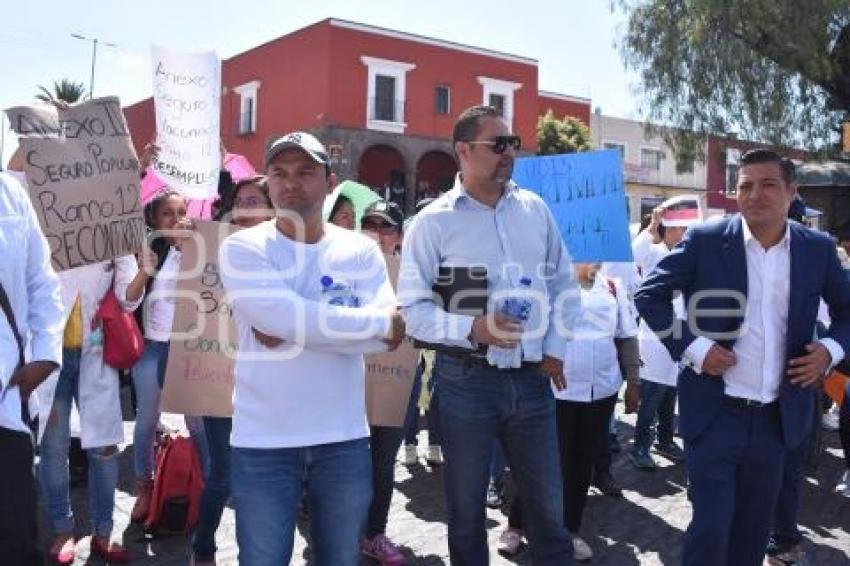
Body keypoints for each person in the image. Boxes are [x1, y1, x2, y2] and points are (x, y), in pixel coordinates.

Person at [635, 148, 850, 566]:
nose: (755, 194)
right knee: (711, 528)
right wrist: (695, 349)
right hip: (716, 413)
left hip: (777, 418)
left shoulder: (817, 249)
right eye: (745, 185)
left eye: (768, 184)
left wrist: (829, 350)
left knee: (752, 534)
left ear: (792, 192)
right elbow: (650, 296)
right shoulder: (709, 240)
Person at [399, 105, 580, 565]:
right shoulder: (432, 223)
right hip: (464, 382)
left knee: (548, 514)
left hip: (533, 381)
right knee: (465, 517)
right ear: (463, 150)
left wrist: (555, 350)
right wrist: (473, 329)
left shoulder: (535, 210)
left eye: (513, 143)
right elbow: (414, 313)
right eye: (497, 144)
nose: (509, 152)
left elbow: (563, 284)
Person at [218, 131, 405, 566]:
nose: (291, 182)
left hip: (343, 439)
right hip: (263, 441)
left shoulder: (361, 249)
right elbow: (380, 326)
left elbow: (383, 341)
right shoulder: (241, 247)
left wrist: (294, 323)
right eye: (280, 173)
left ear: (329, 180)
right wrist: (370, 323)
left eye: (305, 172)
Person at [498, 263, 639, 562]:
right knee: (542, 462)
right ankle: (517, 525)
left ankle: (570, 529)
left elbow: (627, 336)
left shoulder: (612, 287)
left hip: (600, 389)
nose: (595, 260)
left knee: (581, 462)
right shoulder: (550, 284)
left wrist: (633, 382)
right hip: (555, 389)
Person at [38, 248, 151, 564]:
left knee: (104, 448)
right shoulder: (41, 214)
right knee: (52, 447)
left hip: (98, 349)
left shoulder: (111, 226)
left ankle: (103, 532)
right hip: (49, 351)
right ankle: (63, 530)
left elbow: (127, 299)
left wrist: (144, 271)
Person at [191, 176, 274, 566]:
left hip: (272, 386)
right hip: (219, 378)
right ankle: (203, 549)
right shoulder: (209, 247)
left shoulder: (287, 253)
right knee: (224, 475)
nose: (245, 207)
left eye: (254, 200)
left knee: (260, 482)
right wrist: (183, 248)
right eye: (240, 200)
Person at [129, 190, 208, 522]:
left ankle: (205, 485)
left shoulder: (203, 249)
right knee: (146, 420)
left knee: (197, 422)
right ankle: (144, 488)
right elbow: (128, 301)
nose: (176, 220)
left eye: (181, 212)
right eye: (167, 214)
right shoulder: (150, 251)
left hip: (188, 348)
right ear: (154, 220)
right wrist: (145, 271)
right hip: (153, 348)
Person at [0, 171, 64, 566]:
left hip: (6, 403)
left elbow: (42, 281)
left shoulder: (10, 192)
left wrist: (44, 353)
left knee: (14, 539)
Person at [357, 199, 410, 565]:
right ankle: (342, 530)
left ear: (399, 236)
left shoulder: (415, 275)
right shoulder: (344, 268)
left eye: (385, 226)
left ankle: (375, 533)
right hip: (349, 380)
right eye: (370, 225)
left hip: (396, 379)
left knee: (382, 462)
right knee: (345, 462)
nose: (377, 234)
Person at [629, 200, 696, 469]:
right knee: (652, 393)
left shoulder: (688, 258)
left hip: (679, 333)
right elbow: (635, 254)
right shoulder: (654, 252)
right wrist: (653, 226)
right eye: (680, 228)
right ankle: (640, 446)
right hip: (655, 338)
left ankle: (665, 440)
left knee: (671, 392)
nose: (685, 234)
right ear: (668, 230)